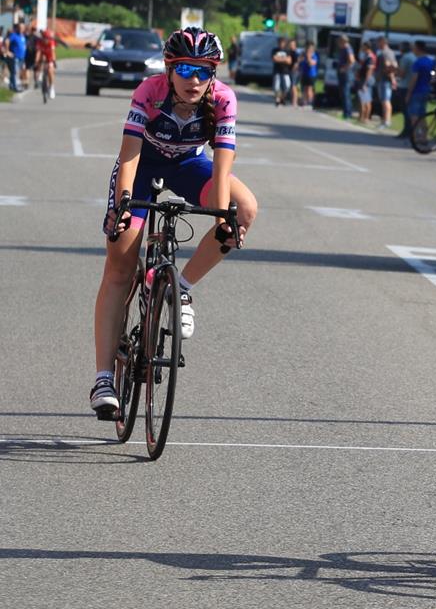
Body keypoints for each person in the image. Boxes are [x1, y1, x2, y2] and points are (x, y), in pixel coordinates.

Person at [89, 28, 257, 417]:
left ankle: (177, 287)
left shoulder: (223, 99)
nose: (194, 79)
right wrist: (124, 205)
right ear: (169, 68)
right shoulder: (149, 92)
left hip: (188, 165)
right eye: (184, 68)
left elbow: (221, 167)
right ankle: (102, 379)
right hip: (143, 165)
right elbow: (129, 155)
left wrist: (222, 221)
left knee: (244, 208)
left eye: (203, 70)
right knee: (120, 264)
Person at [404, 40, 436, 137]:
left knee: (414, 115)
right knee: (423, 115)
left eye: (414, 48)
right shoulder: (431, 61)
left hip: (417, 91)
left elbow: (414, 79)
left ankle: (415, 136)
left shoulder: (418, 63)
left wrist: (408, 94)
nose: (413, 50)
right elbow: (434, 76)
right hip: (426, 90)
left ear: (418, 48)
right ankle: (424, 136)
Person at [34, 26, 66, 99]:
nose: (46, 40)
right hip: (42, 54)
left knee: (50, 70)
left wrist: (54, 61)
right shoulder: (39, 42)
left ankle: (52, 88)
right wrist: (36, 62)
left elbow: (53, 52)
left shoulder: (51, 42)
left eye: (47, 39)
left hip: (50, 56)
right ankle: (40, 75)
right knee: (40, 60)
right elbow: (38, 53)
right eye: (45, 38)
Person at [375, 36, 398, 128]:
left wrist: (392, 78)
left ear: (383, 42)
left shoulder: (385, 53)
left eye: (378, 42)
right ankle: (385, 120)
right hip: (384, 80)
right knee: (385, 101)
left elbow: (390, 66)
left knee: (385, 101)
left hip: (385, 80)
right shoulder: (390, 53)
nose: (377, 44)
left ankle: (386, 121)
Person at [335, 35, 356, 119]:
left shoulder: (348, 48)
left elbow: (352, 61)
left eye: (339, 41)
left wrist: (344, 68)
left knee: (345, 93)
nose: (338, 43)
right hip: (343, 74)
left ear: (343, 41)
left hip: (346, 75)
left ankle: (347, 113)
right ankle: (346, 112)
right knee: (344, 93)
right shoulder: (343, 49)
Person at [356, 39, 377, 124]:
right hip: (362, 79)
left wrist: (365, 82)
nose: (361, 48)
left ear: (367, 47)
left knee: (366, 99)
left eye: (363, 46)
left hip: (365, 80)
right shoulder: (366, 56)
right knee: (362, 99)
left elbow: (369, 70)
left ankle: (365, 118)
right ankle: (361, 117)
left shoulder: (370, 57)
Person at [271, 36, 291, 107]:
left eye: (282, 43)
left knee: (287, 86)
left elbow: (289, 61)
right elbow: (274, 59)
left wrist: (280, 59)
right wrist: (284, 59)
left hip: (285, 71)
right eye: (280, 43)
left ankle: (282, 98)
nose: (281, 44)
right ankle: (277, 99)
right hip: (277, 71)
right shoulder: (275, 50)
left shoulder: (287, 51)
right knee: (276, 87)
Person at [299, 41, 319, 108]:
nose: (308, 49)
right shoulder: (303, 55)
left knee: (309, 89)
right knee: (304, 88)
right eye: (307, 48)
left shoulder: (314, 55)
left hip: (311, 74)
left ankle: (310, 103)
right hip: (304, 74)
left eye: (310, 48)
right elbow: (300, 62)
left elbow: (312, 64)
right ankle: (304, 102)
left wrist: (308, 57)